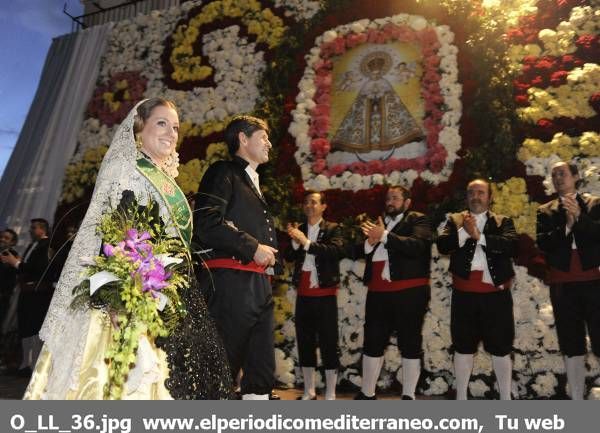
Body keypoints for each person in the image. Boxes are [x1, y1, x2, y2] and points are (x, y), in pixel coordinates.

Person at [22, 98, 232, 399]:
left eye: (175, 127)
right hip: (134, 297)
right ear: (138, 128)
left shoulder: (163, 177)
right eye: (161, 123)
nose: (172, 133)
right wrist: (122, 297)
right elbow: (116, 235)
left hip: (167, 293)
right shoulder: (127, 170)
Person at [194, 115, 279, 400]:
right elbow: (205, 222)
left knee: (261, 373)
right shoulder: (224, 172)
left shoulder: (254, 182)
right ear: (242, 139)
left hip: (259, 285)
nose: (269, 142)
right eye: (263, 136)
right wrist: (252, 246)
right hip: (231, 283)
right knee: (221, 370)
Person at [437, 179, 518, 400]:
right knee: (463, 345)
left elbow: (510, 245)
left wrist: (479, 237)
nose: (476, 196)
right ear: (466, 197)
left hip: (496, 295)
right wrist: (465, 232)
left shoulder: (503, 221)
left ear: (490, 197)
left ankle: (505, 398)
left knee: (501, 346)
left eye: (481, 192)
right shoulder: (454, 220)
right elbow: (443, 245)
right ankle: (461, 398)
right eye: (471, 192)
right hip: (464, 294)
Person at [354, 185, 432, 400]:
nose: (390, 202)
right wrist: (369, 243)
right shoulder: (377, 222)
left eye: (395, 198)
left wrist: (385, 236)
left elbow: (418, 245)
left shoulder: (418, 220)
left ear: (407, 203)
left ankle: (408, 395)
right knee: (373, 341)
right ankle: (367, 392)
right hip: (378, 292)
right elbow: (357, 250)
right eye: (388, 198)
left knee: (409, 342)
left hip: (409, 291)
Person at [536, 161, 600, 400]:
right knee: (571, 342)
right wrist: (567, 226)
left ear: (575, 176)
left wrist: (579, 220)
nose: (558, 178)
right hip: (563, 285)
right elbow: (544, 244)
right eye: (554, 175)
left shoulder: (595, 204)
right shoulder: (546, 211)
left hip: (594, 282)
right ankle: (576, 398)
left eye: (562, 173)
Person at [286, 191, 345, 400]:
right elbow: (289, 257)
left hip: (325, 293)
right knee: (305, 341)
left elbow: (336, 251)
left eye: (314, 202)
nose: (309, 206)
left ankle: (330, 392)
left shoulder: (333, 228)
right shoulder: (299, 229)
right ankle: (309, 390)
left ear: (323, 207)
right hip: (303, 294)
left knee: (329, 341)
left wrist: (306, 243)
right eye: (306, 202)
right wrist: (294, 241)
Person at [1, 219, 53, 376]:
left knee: (33, 327)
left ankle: (31, 364)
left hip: (37, 293)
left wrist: (16, 263)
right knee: (24, 327)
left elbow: (38, 269)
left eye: (33, 228)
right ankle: (25, 363)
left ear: (42, 230)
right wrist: (17, 263)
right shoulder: (33, 245)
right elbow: (27, 266)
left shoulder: (46, 246)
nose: (30, 230)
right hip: (26, 291)